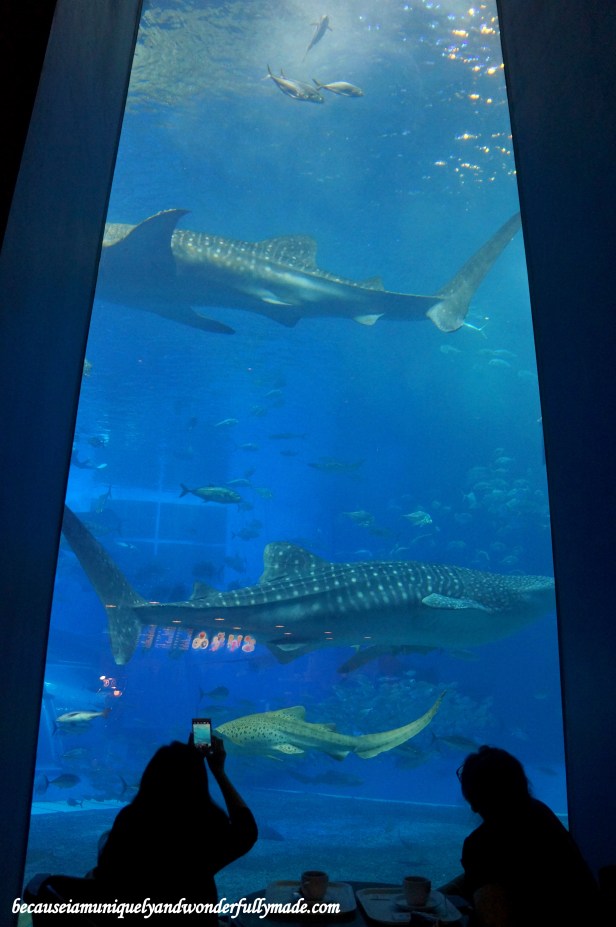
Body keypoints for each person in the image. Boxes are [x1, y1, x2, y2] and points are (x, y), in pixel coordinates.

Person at [91, 734, 258, 922]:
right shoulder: (200, 834)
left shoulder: (129, 820)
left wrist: (190, 759)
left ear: (149, 777)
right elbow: (246, 833)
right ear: (199, 785)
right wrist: (218, 771)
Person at [440, 745, 600, 926]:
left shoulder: (482, 843)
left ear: (473, 801)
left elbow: (495, 919)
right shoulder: (540, 813)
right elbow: (491, 874)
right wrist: (440, 894)